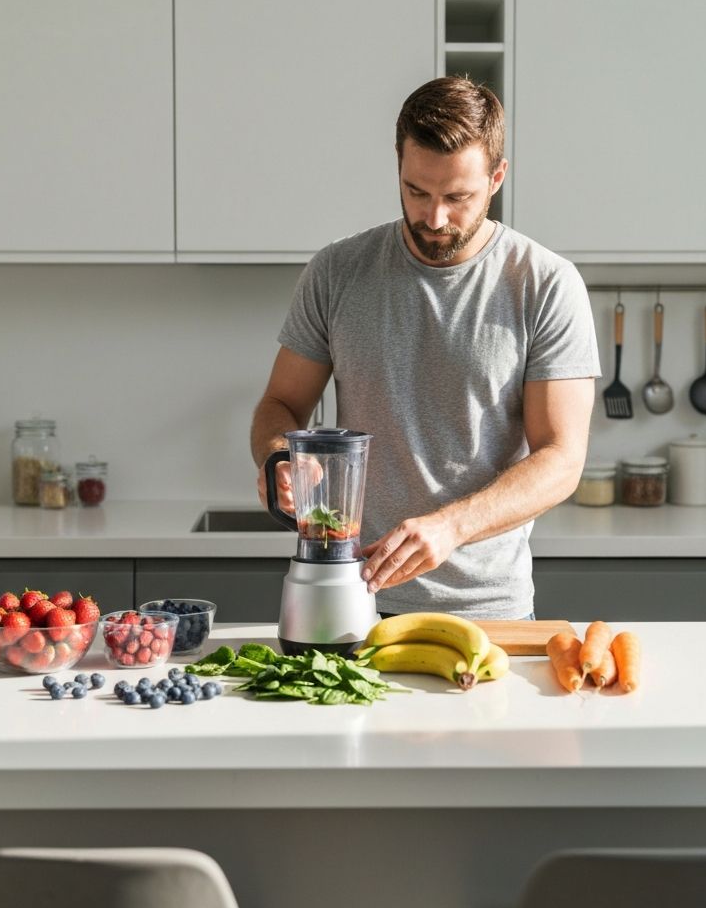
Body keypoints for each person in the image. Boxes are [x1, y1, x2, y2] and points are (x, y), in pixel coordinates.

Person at [250, 76, 601, 620]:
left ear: (497, 178)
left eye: (458, 197)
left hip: (489, 611)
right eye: (417, 192)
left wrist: (451, 526)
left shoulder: (544, 283)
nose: (434, 219)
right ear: (398, 168)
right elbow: (281, 404)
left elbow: (561, 458)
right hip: (352, 597)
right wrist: (278, 456)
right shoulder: (337, 271)